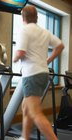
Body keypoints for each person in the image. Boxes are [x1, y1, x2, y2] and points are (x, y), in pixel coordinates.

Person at [13, 5, 64, 140]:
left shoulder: (25, 30)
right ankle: (25, 137)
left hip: (31, 75)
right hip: (43, 74)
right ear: (36, 17)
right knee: (26, 107)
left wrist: (14, 58)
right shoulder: (44, 32)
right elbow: (60, 46)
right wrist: (48, 60)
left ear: (23, 17)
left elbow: (21, 52)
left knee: (36, 113)